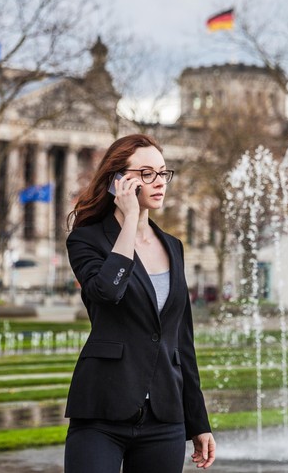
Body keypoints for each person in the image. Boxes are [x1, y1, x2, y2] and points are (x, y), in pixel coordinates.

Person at [64, 134, 216, 472]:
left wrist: (198, 421)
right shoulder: (86, 239)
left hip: (165, 417)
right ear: (119, 180)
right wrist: (130, 220)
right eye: (146, 173)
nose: (159, 182)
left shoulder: (173, 246)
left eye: (163, 173)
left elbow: (182, 342)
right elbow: (107, 292)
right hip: (101, 410)